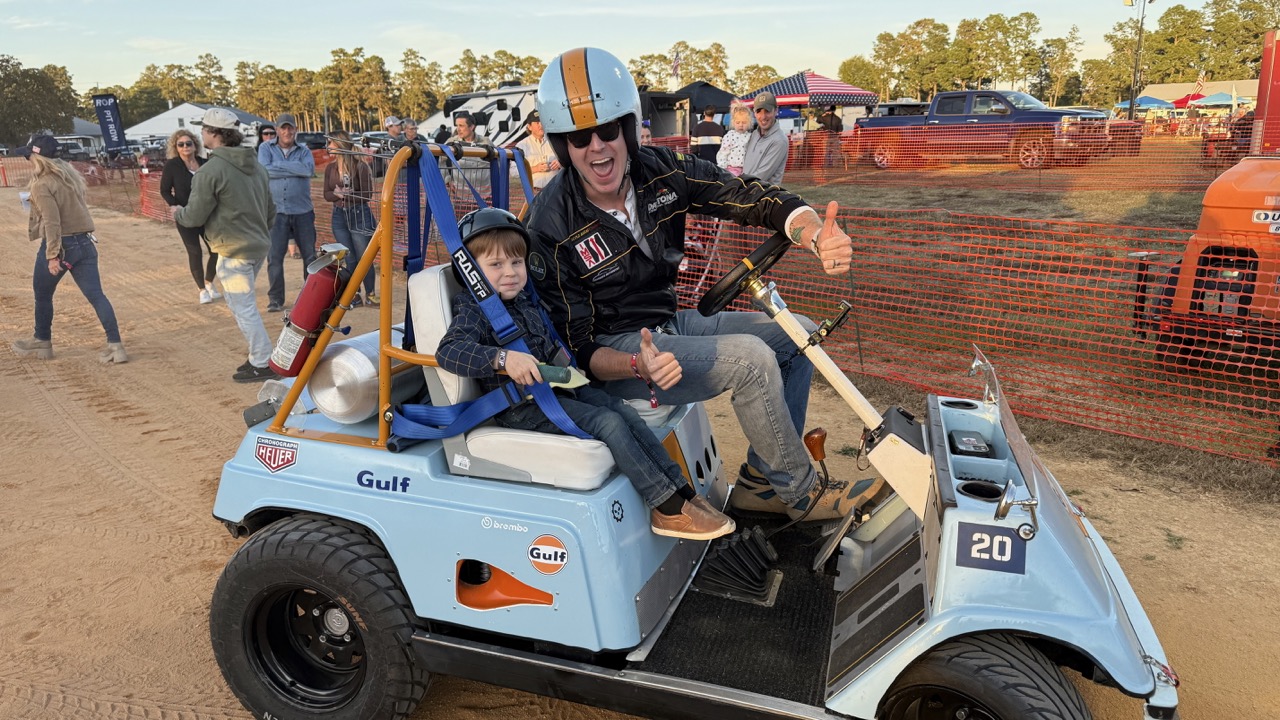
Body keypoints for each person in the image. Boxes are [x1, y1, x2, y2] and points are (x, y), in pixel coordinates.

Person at [527, 47, 859, 522]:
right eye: (579, 138)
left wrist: (812, 233)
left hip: (669, 323)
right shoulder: (550, 223)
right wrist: (636, 363)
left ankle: (762, 482)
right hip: (619, 351)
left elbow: (746, 195)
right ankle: (801, 493)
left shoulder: (661, 171)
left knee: (797, 334)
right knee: (751, 360)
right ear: (562, 146)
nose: (597, 147)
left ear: (627, 130)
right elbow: (575, 349)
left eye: (608, 131)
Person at [436, 207, 736, 540]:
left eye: (516, 263)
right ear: (471, 272)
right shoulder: (474, 309)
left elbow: (548, 342)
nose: (510, 272)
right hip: (521, 407)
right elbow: (449, 351)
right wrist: (503, 359)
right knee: (608, 423)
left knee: (622, 410)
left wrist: (568, 364)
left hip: (557, 390)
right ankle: (665, 506)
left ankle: (681, 492)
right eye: (496, 265)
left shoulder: (524, 300)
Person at [175, 107, 277, 383]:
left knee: (243, 307)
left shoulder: (211, 170)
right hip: (257, 245)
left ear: (215, 133)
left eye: (204, 129)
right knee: (242, 304)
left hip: (232, 249)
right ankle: (258, 357)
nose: (201, 134)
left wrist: (178, 213)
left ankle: (262, 361)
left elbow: (194, 216)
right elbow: (271, 210)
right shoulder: (257, 166)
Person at [11, 135, 127, 364]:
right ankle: (116, 346)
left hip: (62, 245)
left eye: (28, 156)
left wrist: (52, 255)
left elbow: (52, 222)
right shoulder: (70, 177)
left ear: (37, 157)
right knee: (96, 295)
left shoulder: (42, 184)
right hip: (85, 243)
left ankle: (42, 340)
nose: (27, 160)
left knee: (42, 294)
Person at [258, 112, 317, 313]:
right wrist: (295, 168)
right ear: (277, 130)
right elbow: (264, 170)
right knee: (274, 258)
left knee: (310, 257)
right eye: (283, 128)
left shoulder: (304, 150)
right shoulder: (265, 148)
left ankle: (310, 298)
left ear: (295, 130)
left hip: (303, 211)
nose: (287, 131)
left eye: (290, 128)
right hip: (276, 212)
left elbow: (308, 170)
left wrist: (277, 166)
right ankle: (275, 299)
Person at [159, 129, 221, 305]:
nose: (185, 147)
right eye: (181, 144)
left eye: (188, 143)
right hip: (185, 216)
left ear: (195, 145)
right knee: (194, 252)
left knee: (216, 250)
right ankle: (202, 290)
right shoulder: (172, 166)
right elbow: (164, 190)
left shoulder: (205, 163)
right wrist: (174, 205)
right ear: (176, 147)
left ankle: (209, 281)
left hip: (207, 215)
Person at [323, 130, 378, 308]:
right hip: (339, 217)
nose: (328, 146)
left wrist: (346, 195)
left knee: (364, 258)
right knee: (350, 258)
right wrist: (339, 195)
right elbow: (326, 194)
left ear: (339, 144)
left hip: (360, 216)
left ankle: (370, 294)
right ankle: (354, 294)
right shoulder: (330, 168)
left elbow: (367, 194)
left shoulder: (360, 166)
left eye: (330, 143)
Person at [444, 111, 496, 197]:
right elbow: (441, 161)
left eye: (461, 126)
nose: (458, 129)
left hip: (484, 194)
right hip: (460, 195)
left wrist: (496, 180)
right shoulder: (451, 142)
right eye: (457, 125)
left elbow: (497, 161)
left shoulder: (486, 142)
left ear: (472, 127)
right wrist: (447, 179)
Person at [743, 91, 789, 185]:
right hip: (746, 190)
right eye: (759, 111)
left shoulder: (779, 140)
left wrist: (738, 185)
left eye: (767, 111)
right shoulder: (754, 135)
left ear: (776, 111)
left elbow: (761, 176)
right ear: (754, 113)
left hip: (763, 193)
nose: (763, 116)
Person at [515, 110, 560, 189]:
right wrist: (535, 168)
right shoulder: (521, 146)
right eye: (537, 123)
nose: (541, 125)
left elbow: (570, 161)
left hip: (556, 190)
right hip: (535, 192)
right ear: (529, 127)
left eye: (542, 121)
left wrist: (560, 163)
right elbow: (514, 171)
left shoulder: (555, 141)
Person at [716, 104, 751, 176]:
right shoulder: (730, 136)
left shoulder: (750, 136)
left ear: (749, 123)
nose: (741, 125)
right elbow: (723, 153)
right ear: (733, 122)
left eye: (744, 122)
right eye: (738, 122)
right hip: (732, 170)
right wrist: (722, 170)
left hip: (747, 170)